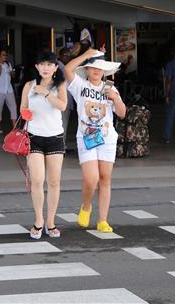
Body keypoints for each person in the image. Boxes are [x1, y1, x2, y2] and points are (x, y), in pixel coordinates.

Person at [64, 47, 126, 233]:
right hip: (86, 137)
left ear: (104, 70)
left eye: (100, 67)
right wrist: (85, 55)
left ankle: (102, 220)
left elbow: (122, 113)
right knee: (91, 178)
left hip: (107, 138)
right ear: (87, 69)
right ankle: (86, 206)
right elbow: (67, 70)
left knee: (105, 178)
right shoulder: (80, 86)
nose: (97, 70)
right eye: (93, 67)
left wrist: (115, 99)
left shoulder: (110, 88)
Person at [20, 51, 68, 239]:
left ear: (56, 68)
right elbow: (23, 108)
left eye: (50, 64)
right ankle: (39, 220)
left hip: (55, 137)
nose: (46, 68)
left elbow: (62, 106)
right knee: (37, 180)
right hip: (33, 136)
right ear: (37, 67)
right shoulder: (29, 86)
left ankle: (51, 222)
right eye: (42, 64)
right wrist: (26, 113)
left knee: (54, 182)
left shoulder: (60, 85)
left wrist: (46, 93)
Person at [0, 50, 17, 134]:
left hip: (9, 90)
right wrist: (0, 65)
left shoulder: (8, 64)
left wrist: (12, 71)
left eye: (6, 55)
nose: (5, 56)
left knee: (13, 107)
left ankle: (14, 127)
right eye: (3, 55)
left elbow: (13, 76)